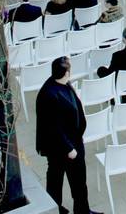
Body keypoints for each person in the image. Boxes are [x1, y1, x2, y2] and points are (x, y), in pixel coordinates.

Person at [35, 57, 100, 214]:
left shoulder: (64, 83)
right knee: (56, 179)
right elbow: (52, 128)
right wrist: (68, 149)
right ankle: (55, 209)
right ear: (66, 73)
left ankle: (82, 209)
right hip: (60, 147)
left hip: (74, 140)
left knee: (79, 181)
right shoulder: (48, 94)